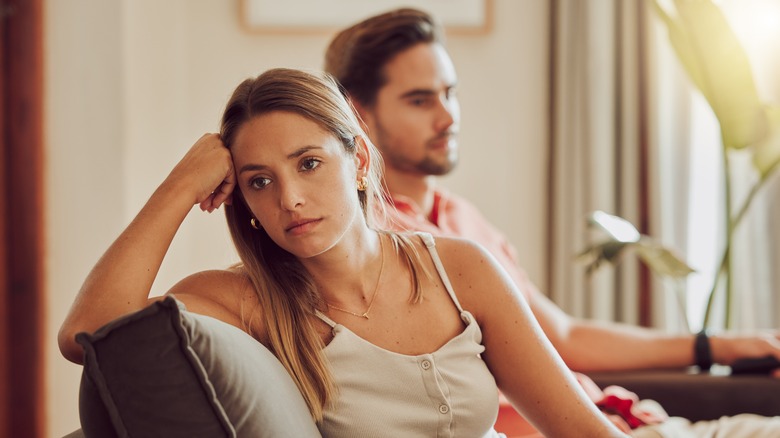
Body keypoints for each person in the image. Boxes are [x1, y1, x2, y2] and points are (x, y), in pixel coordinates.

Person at [58, 68, 627, 437]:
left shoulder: (460, 268)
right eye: (260, 181)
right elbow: (87, 334)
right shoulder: (242, 301)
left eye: (309, 163)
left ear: (358, 161)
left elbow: (583, 430)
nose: (289, 199)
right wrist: (179, 186)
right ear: (241, 198)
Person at [324, 7, 780, 437]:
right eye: (420, 100)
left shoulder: (461, 217)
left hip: (636, 421)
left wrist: (715, 346)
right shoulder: (373, 247)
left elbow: (562, 335)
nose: (448, 117)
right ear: (357, 113)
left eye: (450, 93)